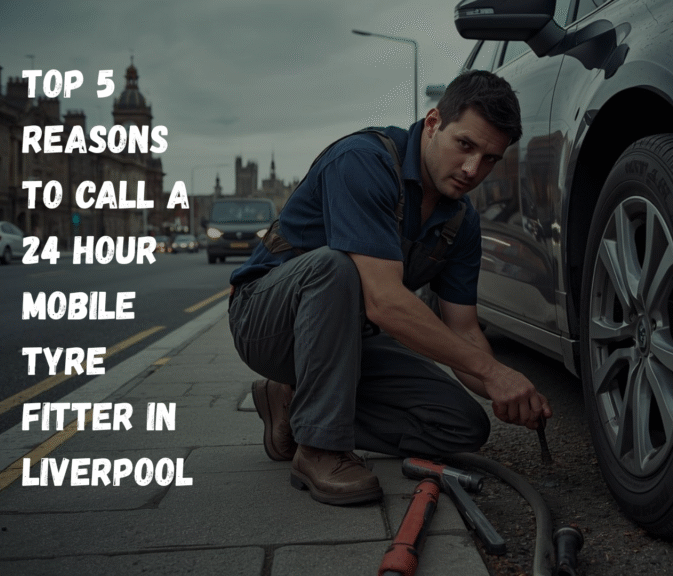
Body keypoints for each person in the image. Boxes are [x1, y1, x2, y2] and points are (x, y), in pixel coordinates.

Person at [227, 70, 551, 506]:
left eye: (491, 158)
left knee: (461, 426)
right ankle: (320, 447)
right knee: (334, 267)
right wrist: (494, 373)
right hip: (265, 321)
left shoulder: (460, 221)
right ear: (434, 123)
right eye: (466, 146)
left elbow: (464, 330)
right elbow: (383, 302)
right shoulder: (363, 161)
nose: (474, 169)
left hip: (345, 343)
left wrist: (508, 389)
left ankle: (292, 402)